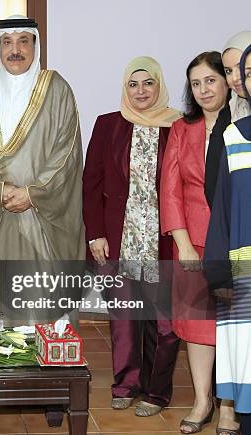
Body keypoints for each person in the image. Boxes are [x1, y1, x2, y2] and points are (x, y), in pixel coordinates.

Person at [0, 15, 85, 326]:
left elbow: (67, 152)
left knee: (40, 303)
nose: (16, 50)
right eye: (7, 42)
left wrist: (33, 193)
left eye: (23, 41)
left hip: (39, 216)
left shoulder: (56, 89)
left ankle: (42, 363)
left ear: (34, 46)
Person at [83, 56, 181, 417]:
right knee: (124, 319)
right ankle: (126, 385)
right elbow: (91, 182)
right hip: (119, 237)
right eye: (133, 84)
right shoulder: (109, 125)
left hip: (164, 239)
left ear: (159, 86)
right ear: (125, 88)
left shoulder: (179, 127)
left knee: (164, 321)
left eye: (148, 83)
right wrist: (95, 233)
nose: (141, 91)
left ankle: (156, 392)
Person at [160, 52, 235, 434]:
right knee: (196, 325)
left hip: (237, 244)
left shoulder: (242, 125)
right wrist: (183, 243)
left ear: (227, 81)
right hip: (192, 244)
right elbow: (170, 189)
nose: (204, 89)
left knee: (234, 327)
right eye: (195, 83)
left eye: (210, 80)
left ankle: (229, 405)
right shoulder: (182, 129)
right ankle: (203, 400)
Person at [205, 44, 251, 435]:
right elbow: (221, 209)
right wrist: (218, 272)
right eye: (248, 74)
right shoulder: (235, 135)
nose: (249, 79)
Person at [205, 31, 251, 208]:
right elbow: (214, 185)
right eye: (228, 71)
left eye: (242, 68)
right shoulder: (226, 118)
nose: (235, 78)